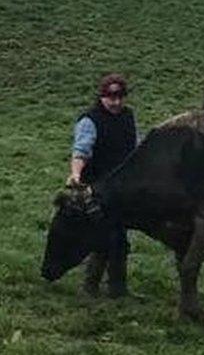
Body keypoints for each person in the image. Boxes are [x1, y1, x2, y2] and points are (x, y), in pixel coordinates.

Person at [67, 73, 138, 298]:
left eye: (120, 97)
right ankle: (91, 287)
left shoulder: (128, 116)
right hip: (96, 188)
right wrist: (76, 175)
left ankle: (117, 289)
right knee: (104, 238)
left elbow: (135, 146)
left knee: (119, 237)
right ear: (102, 96)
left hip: (121, 186)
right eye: (111, 97)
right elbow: (82, 150)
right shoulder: (90, 120)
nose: (116, 102)